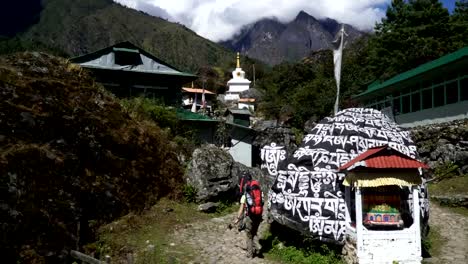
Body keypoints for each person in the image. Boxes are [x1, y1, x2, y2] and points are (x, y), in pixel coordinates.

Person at [234, 173, 263, 258]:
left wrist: (237, 218)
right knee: (254, 232)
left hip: (250, 216)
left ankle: (250, 253)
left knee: (249, 235)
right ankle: (258, 247)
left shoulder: (245, 194)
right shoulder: (258, 190)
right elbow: (262, 202)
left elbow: (241, 209)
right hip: (258, 215)